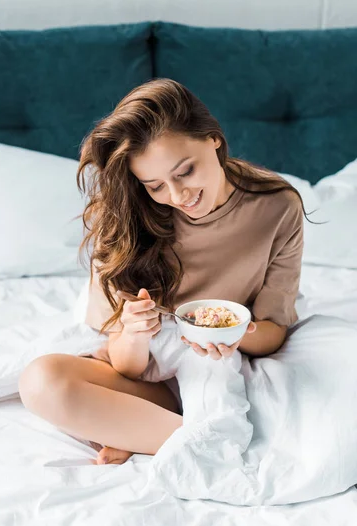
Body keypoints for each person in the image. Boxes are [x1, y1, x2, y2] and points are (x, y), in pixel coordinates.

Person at [18, 78, 307, 467]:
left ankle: (143, 434)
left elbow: (272, 329)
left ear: (213, 139)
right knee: (40, 381)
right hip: (147, 379)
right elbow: (123, 364)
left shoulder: (276, 206)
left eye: (185, 171)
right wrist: (136, 332)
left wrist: (235, 333)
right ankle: (180, 440)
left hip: (221, 371)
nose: (177, 196)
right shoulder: (126, 218)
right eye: (155, 185)